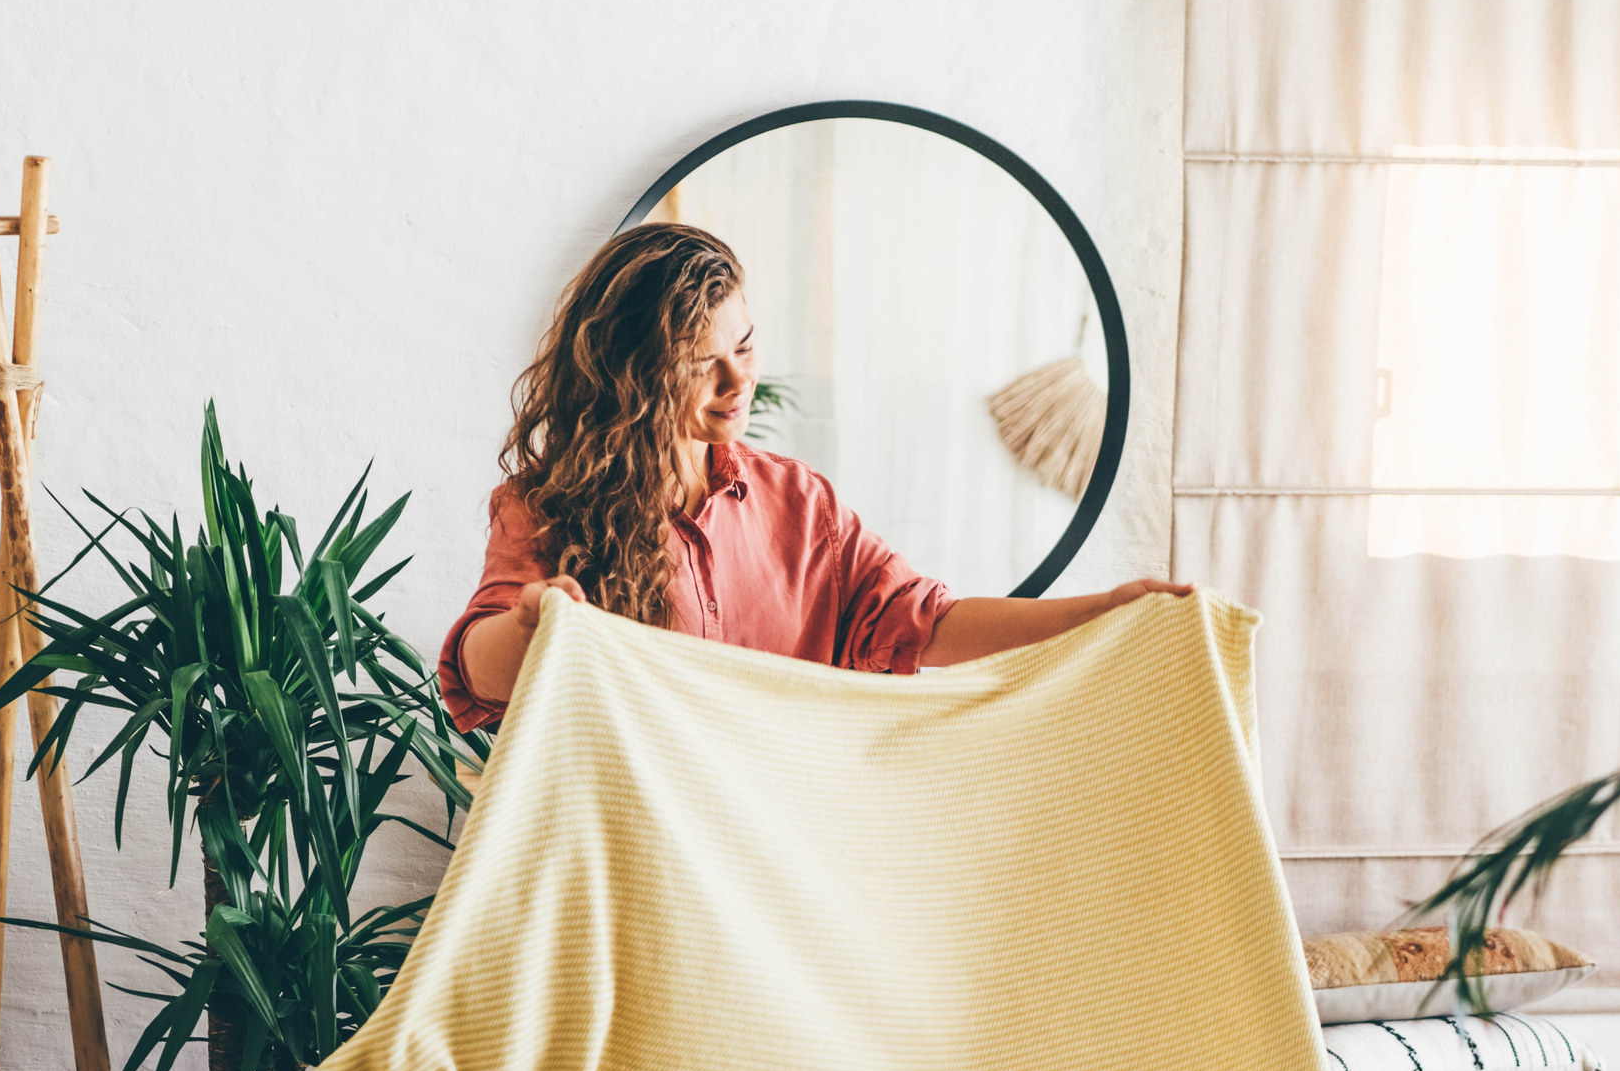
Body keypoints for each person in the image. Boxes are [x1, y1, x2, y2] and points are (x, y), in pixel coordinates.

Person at [438, 222, 1190, 731]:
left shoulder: (802, 505)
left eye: (747, 345)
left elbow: (927, 622)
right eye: (701, 365)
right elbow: (476, 673)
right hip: (627, 865)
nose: (739, 382)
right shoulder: (544, 506)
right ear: (635, 374)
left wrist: (1105, 612)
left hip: (781, 865)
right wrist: (534, 624)